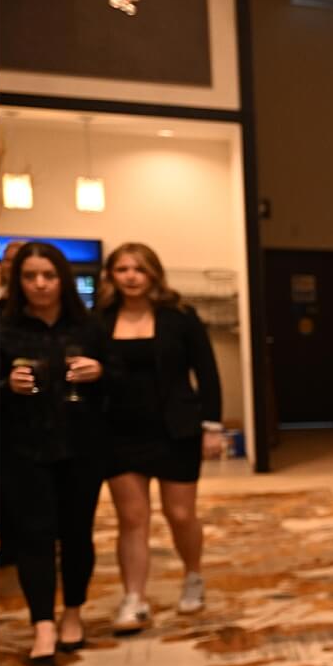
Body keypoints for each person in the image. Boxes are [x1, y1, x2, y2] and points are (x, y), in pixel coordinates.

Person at [96, 243, 224, 632]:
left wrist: (212, 426)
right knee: (132, 518)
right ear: (111, 275)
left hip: (176, 430)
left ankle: (193, 574)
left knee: (180, 514)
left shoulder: (180, 317)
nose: (131, 276)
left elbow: (207, 372)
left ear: (153, 274)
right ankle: (134, 598)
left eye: (139, 269)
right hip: (119, 431)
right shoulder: (99, 320)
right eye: (122, 269)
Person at [0, 242, 108, 666]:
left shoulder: (90, 326)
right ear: (18, 280)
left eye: (48, 275)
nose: (40, 284)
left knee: (77, 534)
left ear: (63, 278)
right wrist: (6, 385)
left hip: (82, 447)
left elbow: (120, 381)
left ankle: (73, 612)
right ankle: (42, 624)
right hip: (22, 448)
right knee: (33, 536)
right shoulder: (1, 326)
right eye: (30, 276)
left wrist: (100, 372)